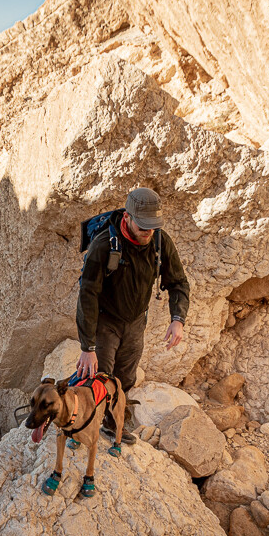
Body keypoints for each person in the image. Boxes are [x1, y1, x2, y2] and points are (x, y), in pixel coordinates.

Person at [76, 187, 190, 445]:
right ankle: (86, 424)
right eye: (143, 225)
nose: (148, 231)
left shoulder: (160, 242)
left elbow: (179, 282)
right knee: (100, 376)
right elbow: (87, 295)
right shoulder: (104, 244)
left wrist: (177, 319)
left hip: (136, 322)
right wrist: (87, 346)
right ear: (127, 217)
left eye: (153, 225)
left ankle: (111, 423)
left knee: (125, 378)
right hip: (105, 321)